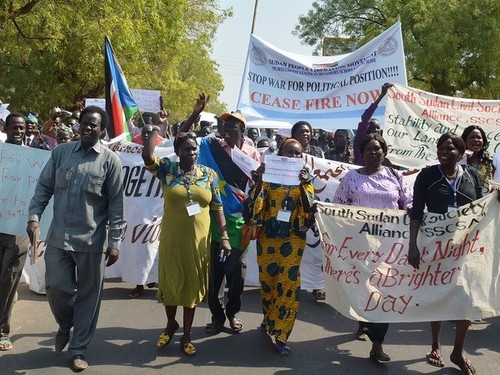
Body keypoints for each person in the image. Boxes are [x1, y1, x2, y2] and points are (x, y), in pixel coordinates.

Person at [26, 106, 125, 371]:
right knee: (57, 289)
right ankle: (64, 324)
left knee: (88, 298)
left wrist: (115, 242)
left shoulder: (110, 162)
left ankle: (79, 349)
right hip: (58, 238)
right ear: (78, 125)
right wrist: (34, 216)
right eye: (85, 123)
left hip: (92, 242)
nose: (88, 127)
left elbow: (116, 206)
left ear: (102, 130)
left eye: (94, 125)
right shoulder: (60, 153)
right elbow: (44, 187)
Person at [141, 127, 230, 356]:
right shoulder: (168, 170)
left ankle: (187, 335)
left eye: (194, 149)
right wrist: (153, 132)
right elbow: (148, 157)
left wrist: (225, 237)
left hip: (198, 242)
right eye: (187, 149)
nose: (192, 152)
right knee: (171, 282)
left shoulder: (209, 174)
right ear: (177, 152)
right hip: (173, 238)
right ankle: (171, 324)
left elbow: (217, 208)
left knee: (191, 284)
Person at [179, 94, 261, 336]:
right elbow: (183, 135)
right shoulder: (208, 145)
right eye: (223, 123)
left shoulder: (252, 154)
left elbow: (258, 187)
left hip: (239, 219)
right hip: (211, 217)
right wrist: (196, 112)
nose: (224, 127)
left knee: (237, 270)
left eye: (231, 124)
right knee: (215, 270)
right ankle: (216, 316)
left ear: (242, 129)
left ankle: (233, 312)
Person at [333, 133, 412, 362]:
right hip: (360, 247)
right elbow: (339, 207)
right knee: (364, 290)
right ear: (362, 153)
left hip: (389, 246)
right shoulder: (351, 178)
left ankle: (377, 345)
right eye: (369, 149)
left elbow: (408, 203)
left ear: (384, 152)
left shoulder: (395, 176)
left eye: (378, 149)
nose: (374, 153)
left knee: (383, 292)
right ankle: (363, 321)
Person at [408, 133, 482, 375]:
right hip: (437, 246)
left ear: (461, 154)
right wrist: (413, 245)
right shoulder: (427, 176)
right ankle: (435, 345)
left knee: (468, 299)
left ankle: (458, 351)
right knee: (438, 295)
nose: (444, 151)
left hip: (466, 248)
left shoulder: (471, 176)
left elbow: (482, 207)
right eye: (441, 147)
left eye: (450, 148)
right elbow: (416, 212)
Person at [247, 138, 315, 356]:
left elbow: (310, 211)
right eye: (289, 153)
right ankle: (269, 320)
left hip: (293, 240)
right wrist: (259, 180)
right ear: (280, 155)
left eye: (297, 154)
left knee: (288, 284)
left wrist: (305, 185)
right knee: (268, 282)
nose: (293, 158)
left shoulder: (306, 179)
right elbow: (252, 206)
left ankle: (281, 335)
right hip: (268, 238)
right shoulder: (269, 176)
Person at [0, 113, 29, 352]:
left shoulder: (36, 156)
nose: (18, 131)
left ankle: (2, 330)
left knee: (10, 278)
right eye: (14, 128)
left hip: (19, 227)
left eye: (22, 128)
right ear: (6, 128)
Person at [291, 120, 325, 301]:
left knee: (313, 250)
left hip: (309, 207)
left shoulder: (318, 153)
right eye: (301, 131)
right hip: (290, 208)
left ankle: (316, 286)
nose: (305, 134)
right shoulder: (287, 152)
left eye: (308, 131)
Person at [353, 83, 393, 165]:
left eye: (378, 128)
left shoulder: (383, 148)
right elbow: (365, 118)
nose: (376, 130)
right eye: (373, 127)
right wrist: (381, 96)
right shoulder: (360, 143)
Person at [460, 125, 495, 193]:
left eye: (479, 137)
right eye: (472, 137)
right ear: (464, 141)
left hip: (486, 201)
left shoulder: (490, 162)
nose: (476, 140)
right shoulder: (458, 160)